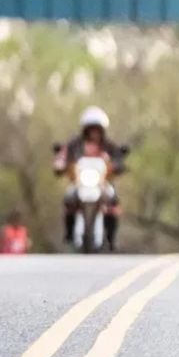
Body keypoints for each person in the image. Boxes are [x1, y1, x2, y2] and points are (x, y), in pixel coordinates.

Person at [53, 106, 127, 250]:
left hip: (101, 183)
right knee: (69, 198)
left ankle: (111, 237)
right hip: (80, 182)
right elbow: (62, 155)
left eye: (97, 129)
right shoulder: (75, 144)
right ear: (86, 130)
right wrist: (59, 164)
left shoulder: (108, 146)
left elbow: (118, 158)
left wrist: (119, 164)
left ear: (102, 130)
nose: (95, 133)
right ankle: (69, 233)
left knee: (113, 200)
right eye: (91, 129)